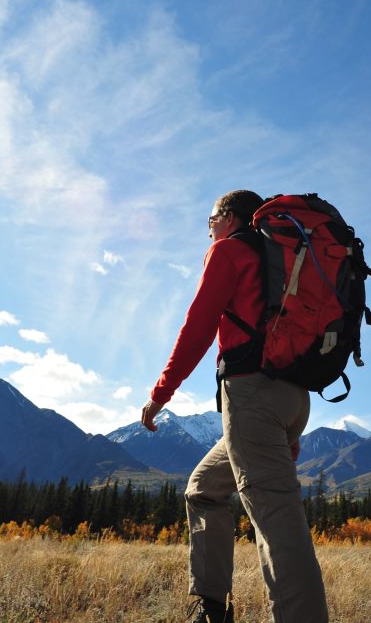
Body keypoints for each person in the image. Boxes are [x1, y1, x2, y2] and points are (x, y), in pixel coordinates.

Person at [141, 189, 328, 623]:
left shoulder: (230, 251)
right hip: (292, 398)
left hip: (253, 399)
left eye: (209, 222)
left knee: (278, 523)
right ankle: (212, 610)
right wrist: (289, 431)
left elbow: (198, 326)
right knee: (203, 489)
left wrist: (160, 393)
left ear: (228, 218)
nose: (208, 232)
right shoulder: (282, 257)